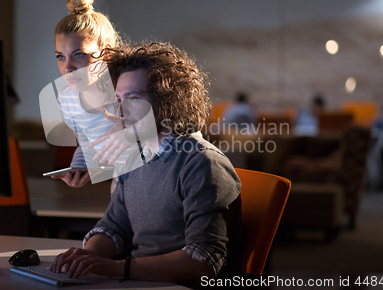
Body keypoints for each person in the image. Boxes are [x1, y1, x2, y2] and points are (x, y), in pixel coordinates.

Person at [50, 42, 242, 286]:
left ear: (167, 101)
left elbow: (202, 262)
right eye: (117, 99)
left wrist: (114, 268)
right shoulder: (133, 156)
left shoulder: (203, 163)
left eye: (132, 98)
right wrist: (91, 255)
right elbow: (115, 225)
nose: (119, 111)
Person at [48, 0, 135, 190]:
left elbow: (174, 133)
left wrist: (132, 131)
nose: (67, 68)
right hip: (124, 188)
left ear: (105, 52)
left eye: (79, 55)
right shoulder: (67, 99)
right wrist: (79, 168)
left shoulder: (131, 87)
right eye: (60, 57)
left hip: (168, 178)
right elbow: (88, 145)